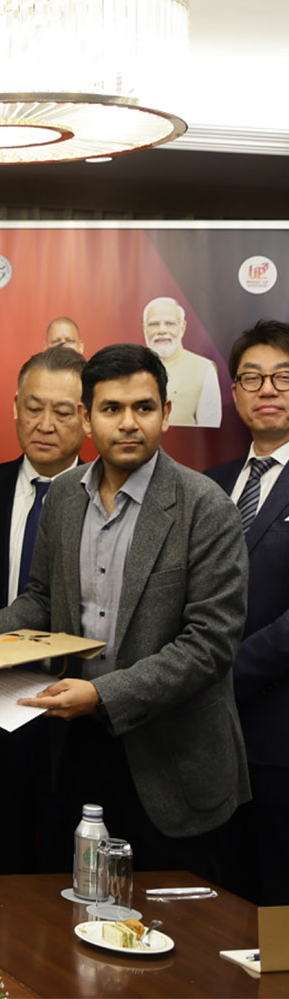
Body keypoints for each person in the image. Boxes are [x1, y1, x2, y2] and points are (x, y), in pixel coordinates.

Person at [0, 343, 249, 879]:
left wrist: (102, 695)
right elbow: (44, 597)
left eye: (143, 407)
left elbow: (209, 644)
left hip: (172, 761)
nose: (129, 423)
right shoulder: (66, 495)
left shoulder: (204, 506)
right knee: (74, 920)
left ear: (166, 412)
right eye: (111, 409)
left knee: (172, 939)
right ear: (89, 419)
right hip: (76, 750)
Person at [0, 345, 85, 872]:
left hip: (75, 720)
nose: (45, 424)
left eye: (63, 410)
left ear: (88, 416)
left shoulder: (109, 495)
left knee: (65, 875)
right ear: (14, 406)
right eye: (33, 408)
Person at [206, 320, 289, 904]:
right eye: (253, 377)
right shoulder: (209, 486)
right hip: (204, 742)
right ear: (233, 393)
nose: (268, 388)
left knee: (278, 904)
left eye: (283, 376)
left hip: (279, 737)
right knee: (214, 901)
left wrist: (220, 673)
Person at [142, 296, 221, 426]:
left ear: (182, 328)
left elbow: (209, 429)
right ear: (144, 329)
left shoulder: (204, 369)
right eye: (154, 324)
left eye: (170, 323)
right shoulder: (128, 367)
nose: (162, 330)